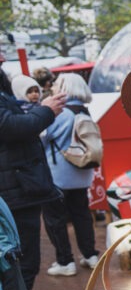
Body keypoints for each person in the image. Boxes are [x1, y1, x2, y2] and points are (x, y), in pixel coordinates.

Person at [0, 52, 67, 290]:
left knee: (22, 265)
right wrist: (46, 111)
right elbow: (10, 127)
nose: (3, 56)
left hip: (19, 187)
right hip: (15, 190)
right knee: (22, 265)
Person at [40, 73, 100, 277]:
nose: (54, 87)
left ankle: (65, 261)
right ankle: (90, 254)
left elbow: (42, 139)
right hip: (82, 174)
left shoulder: (60, 114)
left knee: (54, 218)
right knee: (82, 215)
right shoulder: (84, 111)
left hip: (57, 176)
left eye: (57, 84)